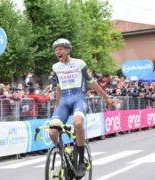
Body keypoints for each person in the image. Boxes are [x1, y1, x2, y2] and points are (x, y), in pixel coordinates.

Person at [49, 38, 113, 178]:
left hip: (79, 97)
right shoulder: (55, 67)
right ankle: (65, 155)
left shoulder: (80, 63)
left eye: (60, 49)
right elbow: (59, 87)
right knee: (52, 132)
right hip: (64, 100)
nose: (57, 52)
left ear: (67, 50)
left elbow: (92, 83)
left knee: (77, 123)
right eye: (55, 50)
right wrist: (57, 103)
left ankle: (80, 160)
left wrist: (106, 97)